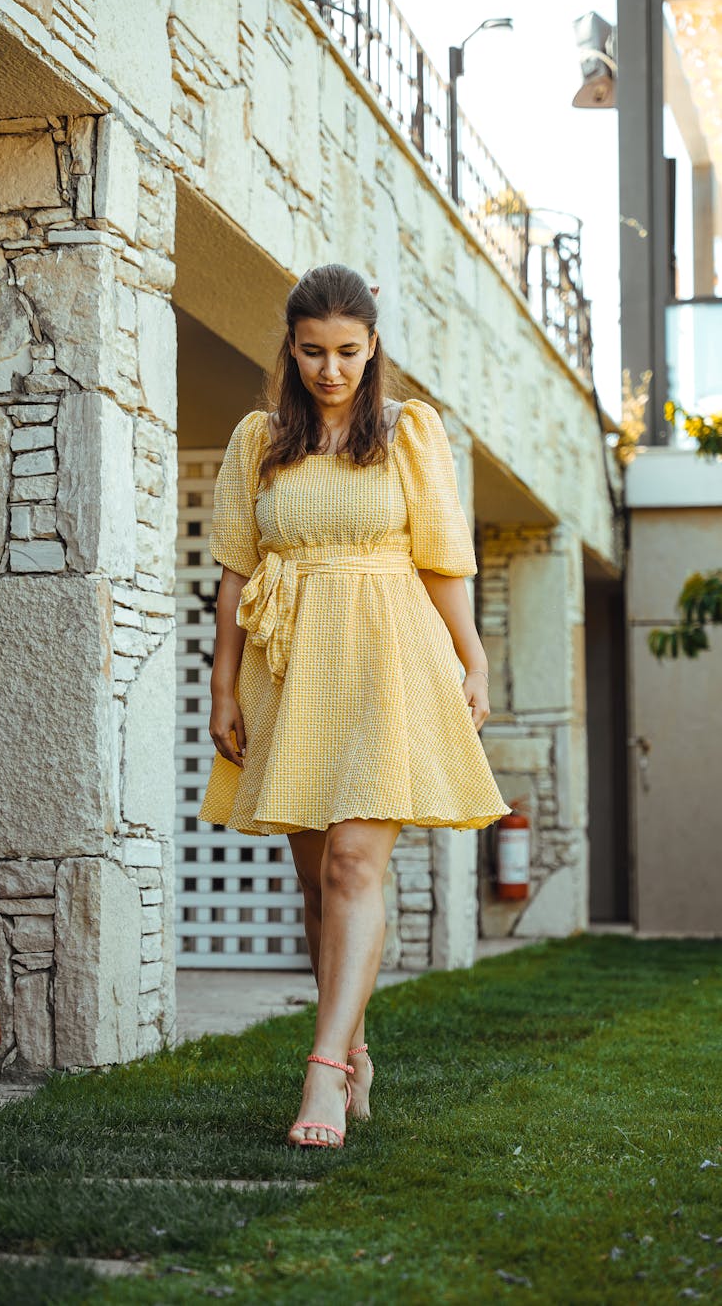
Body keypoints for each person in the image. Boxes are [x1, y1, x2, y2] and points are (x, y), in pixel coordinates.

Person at [197, 263, 510, 1149]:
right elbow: (234, 571)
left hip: (386, 654)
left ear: (372, 347)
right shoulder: (258, 439)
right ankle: (355, 1045)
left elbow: (444, 556)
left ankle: (323, 1072)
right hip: (289, 663)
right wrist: (223, 684)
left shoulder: (409, 431)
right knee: (313, 880)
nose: (329, 370)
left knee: (351, 869)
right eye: (311, 352)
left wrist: (474, 658)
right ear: (289, 349)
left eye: (346, 351)